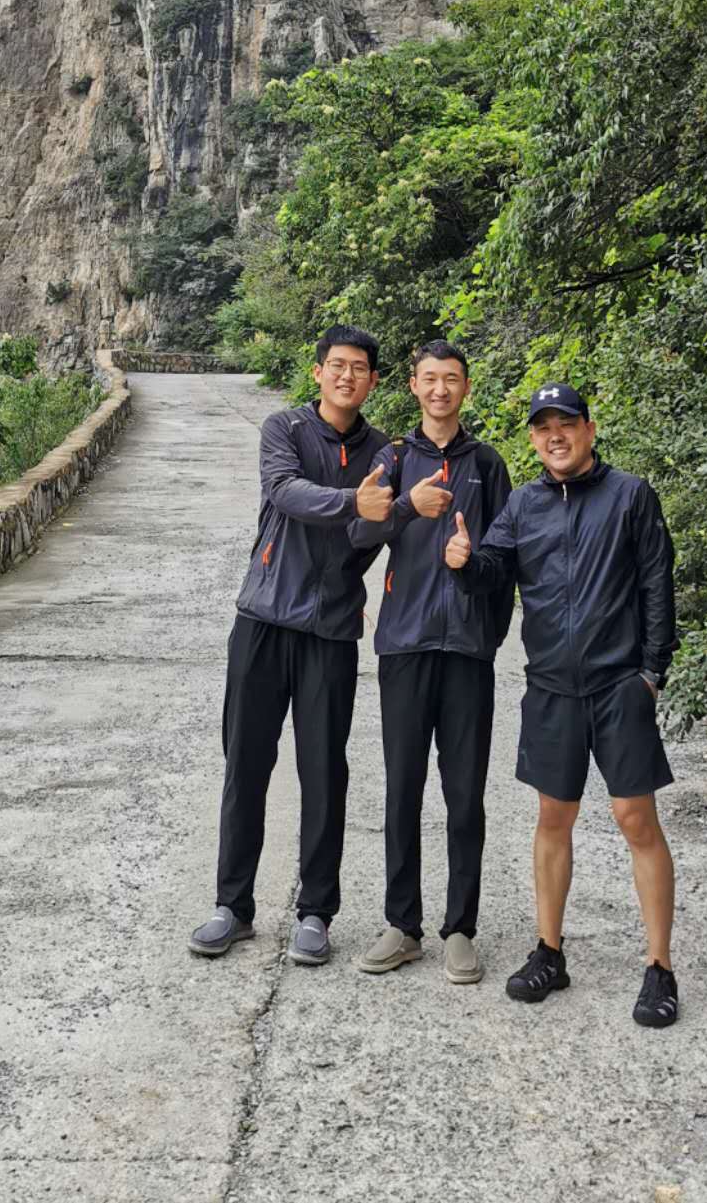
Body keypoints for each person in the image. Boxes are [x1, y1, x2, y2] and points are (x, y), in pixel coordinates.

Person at [446, 381, 679, 1027]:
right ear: (533, 438)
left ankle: (659, 967)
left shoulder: (630, 495)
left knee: (635, 818)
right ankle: (549, 952)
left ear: (588, 429)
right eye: (544, 427)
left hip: (619, 684)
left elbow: (657, 582)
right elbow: (492, 569)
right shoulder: (523, 503)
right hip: (551, 686)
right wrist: (463, 562)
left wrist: (652, 673)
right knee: (553, 816)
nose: (556, 436)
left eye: (566, 424)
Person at [189, 325, 393, 967]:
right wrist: (353, 502)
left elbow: (372, 531)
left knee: (324, 771)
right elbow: (286, 491)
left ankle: (315, 913)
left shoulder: (383, 453)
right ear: (318, 372)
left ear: (373, 381)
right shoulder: (285, 429)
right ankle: (232, 907)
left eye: (359, 368)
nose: (347, 376)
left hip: (330, 630)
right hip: (264, 618)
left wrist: (380, 518)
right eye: (337, 365)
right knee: (245, 764)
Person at [351, 339, 512, 984]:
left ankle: (460, 928)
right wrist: (403, 507)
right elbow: (360, 533)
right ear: (413, 387)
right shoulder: (392, 459)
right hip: (406, 644)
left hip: (467, 650)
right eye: (429, 379)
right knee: (402, 788)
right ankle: (403, 924)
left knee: (465, 794)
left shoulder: (488, 464)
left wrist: (473, 574)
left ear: (466, 387)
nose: (440, 389)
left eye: (451, 379)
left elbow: (507, 558)